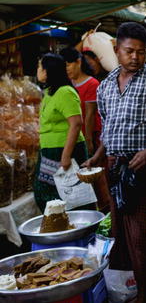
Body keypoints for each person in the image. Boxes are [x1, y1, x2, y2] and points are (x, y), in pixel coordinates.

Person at [82, 22, 146, 303]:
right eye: (129, 51)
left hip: (141, 167)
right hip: (113, 167)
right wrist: (99, 155)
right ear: (116, 50)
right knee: (119, 233)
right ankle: (132, 288)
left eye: (141, 52)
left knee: (139, 233)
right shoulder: (106, 84)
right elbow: (109, 128)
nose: (135, 57)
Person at [33, 54, 88, 212]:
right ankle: (60, 229)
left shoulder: (65, 92)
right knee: (46, 195)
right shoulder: (50, 92)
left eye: (39, 67)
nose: (37, 70)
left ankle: (80, 230)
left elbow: (76, 123)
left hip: (65, 151)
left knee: (73, 196)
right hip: (49, 152)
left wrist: (66, 155)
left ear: (47, 70)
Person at [60, 47, 101, 155]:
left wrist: (88, 141)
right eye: (63, 67)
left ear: (78, 62)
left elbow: (90, 115)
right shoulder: (68, 83)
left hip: (90, 135)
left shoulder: (92, 83)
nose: (66, 69)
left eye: (68, 65)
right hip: (74, 135)